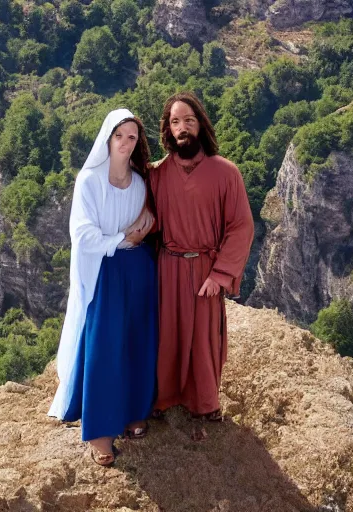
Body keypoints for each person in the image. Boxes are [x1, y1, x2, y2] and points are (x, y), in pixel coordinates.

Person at [48, 108, 158, 466]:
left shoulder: (140, 183)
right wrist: (123, 239)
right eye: (119, 136)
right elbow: (82, 235)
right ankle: (99, 432)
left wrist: (135, 237)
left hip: (138, 268)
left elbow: (145, 224)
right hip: (105, 270)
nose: (126, 143)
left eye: (132, 137)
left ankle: (132, 411)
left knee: (137, 340)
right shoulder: (89, 181)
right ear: (107, 138)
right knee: (105, 345)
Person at [148, 92, 254, 441]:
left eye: (188, 120)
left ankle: (204, 403)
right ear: (167, 129)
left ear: (200, 125)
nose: (182, 128)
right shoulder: (158, 175)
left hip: (206, 269)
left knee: (204, 339)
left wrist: (221, 274)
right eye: (175, 122)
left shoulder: (226, 173)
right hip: (167, 267)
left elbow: (240, 226)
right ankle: (163, 398)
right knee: (167, 335)